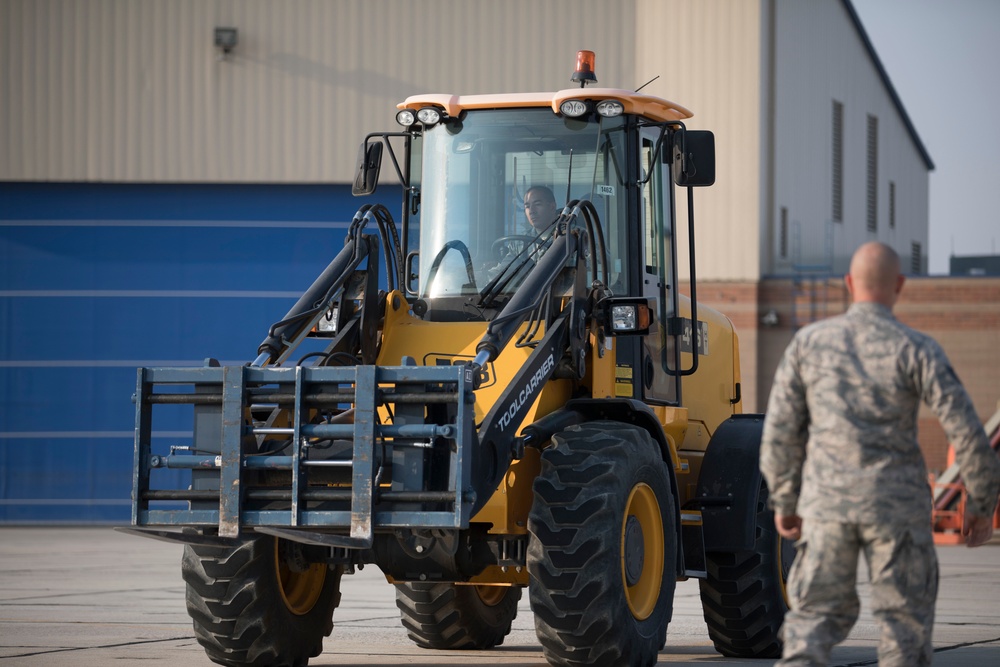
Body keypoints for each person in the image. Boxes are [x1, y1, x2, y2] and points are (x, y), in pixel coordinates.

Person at [760, 241, 1000, 666]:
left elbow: (780, 430)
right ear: (900, 286)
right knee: (903, 634)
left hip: (826, 506)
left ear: (850, 284)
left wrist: (784, 499)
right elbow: (967, 430)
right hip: (898, 513)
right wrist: (981, 504)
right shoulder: (917, 348)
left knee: (812, 624)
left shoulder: (808, 344)